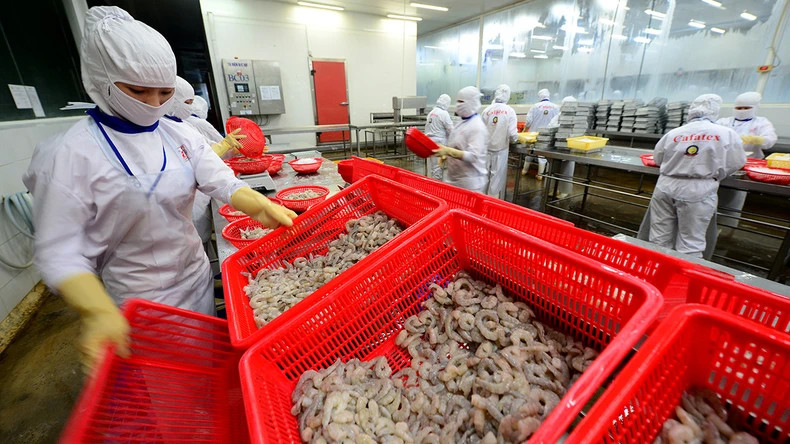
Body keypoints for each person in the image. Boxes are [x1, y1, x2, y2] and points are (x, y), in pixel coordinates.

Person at [22, 6, 297, 373]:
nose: (153, 104)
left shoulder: (178, 134)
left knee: (208, 370)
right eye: (138, 91)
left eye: (164, 93)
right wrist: (97, 311)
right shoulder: (72, 154)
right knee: (171, 385)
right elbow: (60, 252)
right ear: (101, 80)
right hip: (142, 297)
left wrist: (261, 206)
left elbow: (221, 179)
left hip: (196, 278)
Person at [646, 94, 745, 258]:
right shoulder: (726, 134)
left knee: (659, 236)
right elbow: (736, 162)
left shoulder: (674, 133)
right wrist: (715, 173)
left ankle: (657, 272)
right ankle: (683, 280)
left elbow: (658, 158)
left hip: (665, 185)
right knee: (690, 242)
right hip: (698, 188)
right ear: (715, 111)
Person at [715, 92, 778, 228]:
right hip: (722, 164)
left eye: (746, 108)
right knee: (715, 195)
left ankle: (727, 228)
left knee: (734, 199)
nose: (742, 111)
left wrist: (758, 139)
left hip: (746, 166)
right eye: (739, 108)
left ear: (755, 107)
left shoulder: (761, 122)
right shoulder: (724, 122)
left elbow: (770, 140)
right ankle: (712, 225)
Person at [433, 86, 489, 193]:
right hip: (455, 179)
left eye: (461, 101)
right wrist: (446, 154)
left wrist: (449, 151)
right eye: (457, 101)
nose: (458, 104)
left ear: (470, 103)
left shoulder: (477, 126)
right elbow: (457, 143)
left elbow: (473, 156)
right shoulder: (462, 122)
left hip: (470, 184)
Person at [482, 84, 521, 199]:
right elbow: (512, 133)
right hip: (501, 150)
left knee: (483, 177)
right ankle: (491, 206)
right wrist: (515, 141)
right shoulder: (509, 111)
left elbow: (480, 131)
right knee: (496, 179)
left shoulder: (486, 110)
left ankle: (480, 204)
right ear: (508, 95)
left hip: (486, 150)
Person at [548, 96, 577, 197]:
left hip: (570, 148)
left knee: (567, 171)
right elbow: (551, 126)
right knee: (553, 169)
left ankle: (564, 191)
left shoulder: (576, 118)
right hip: (557, 147)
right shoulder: (558, 116)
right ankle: (553, 189)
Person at [423, 94, 453, 180]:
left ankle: (430, 185)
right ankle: (436, 189)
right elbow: (451, 130)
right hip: (439, 144)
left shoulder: (431, 112)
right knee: (437, 168)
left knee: (431, 167)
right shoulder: (444, 114)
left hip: (429, 142)